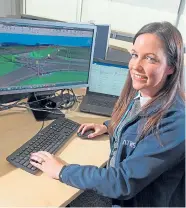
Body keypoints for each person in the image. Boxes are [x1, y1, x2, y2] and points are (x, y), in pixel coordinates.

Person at [30, 21, 185, 207]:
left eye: (150, 58)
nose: (136, 66)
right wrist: (108, 126)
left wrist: (62, 170)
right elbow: (139, 126)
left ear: (171, 67)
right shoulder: (144, 94)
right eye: (135, 55)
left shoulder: (176, 122)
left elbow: (122, 183)